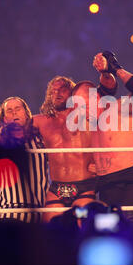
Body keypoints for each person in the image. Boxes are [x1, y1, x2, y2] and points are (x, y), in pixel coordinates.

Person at [72, 51, 133, 231]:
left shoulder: (121, 107)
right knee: (110, 231)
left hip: (130, 178)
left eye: (85, 101)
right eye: (78, 104)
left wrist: (115, 69)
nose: (82, 108)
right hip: (106, 181)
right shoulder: (87, 123)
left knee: (129, 229)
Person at [33, 73, 117, 221]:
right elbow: (13, 129)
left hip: (84, 188)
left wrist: (101, 163)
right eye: (53, 91)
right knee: (51, 228)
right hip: (57, 189)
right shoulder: (40, 122)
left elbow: (109, 139)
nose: (57, 93)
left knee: (81, 224)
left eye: (62, 89)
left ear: (73, 93)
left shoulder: (87, 116)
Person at [0, 96, 48, 223]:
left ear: (27, 115)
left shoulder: (39, 139)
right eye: (9, 111)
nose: (14, 112)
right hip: (9, 214)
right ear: (5, 119)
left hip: (38, 214)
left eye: (17, 109)